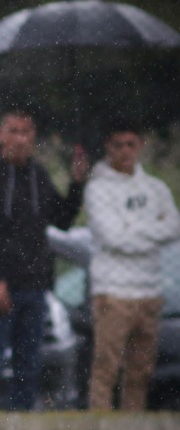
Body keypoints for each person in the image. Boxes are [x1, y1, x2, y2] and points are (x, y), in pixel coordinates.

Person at [0, 109, 88, 411]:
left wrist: (77, 183)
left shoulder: (38, 175)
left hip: (34, 285)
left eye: (27, 132)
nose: (20, 138)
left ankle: (21, 428)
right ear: (0, 135)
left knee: (28, 363)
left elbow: (62, 219)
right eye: (14, 131)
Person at [84, 118, 180, 411]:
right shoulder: (98, 189)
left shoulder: (155, 188)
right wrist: (150, 229)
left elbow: (174, 227)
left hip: (149, 290)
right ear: (108, 147)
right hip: (114, 292)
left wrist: (132, 228)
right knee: (106, 368)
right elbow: (114, 238)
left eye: (131, 144)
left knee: (141, 371)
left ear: (140, 146)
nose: (125, 151)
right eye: (118, 145)